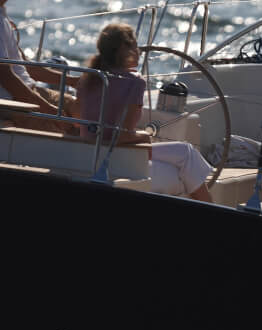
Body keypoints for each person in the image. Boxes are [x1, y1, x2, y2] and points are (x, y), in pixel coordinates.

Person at [74, 22, 215, 202]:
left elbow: (79, 122)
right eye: (135, 45)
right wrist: (144, 136)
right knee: (186, 154)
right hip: (118, 158)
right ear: (124, 49)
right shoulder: (134, 82)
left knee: (185, 156)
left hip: (88, 155)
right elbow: (122, 136)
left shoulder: (87, 78)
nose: (139, 51)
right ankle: (212, 207)